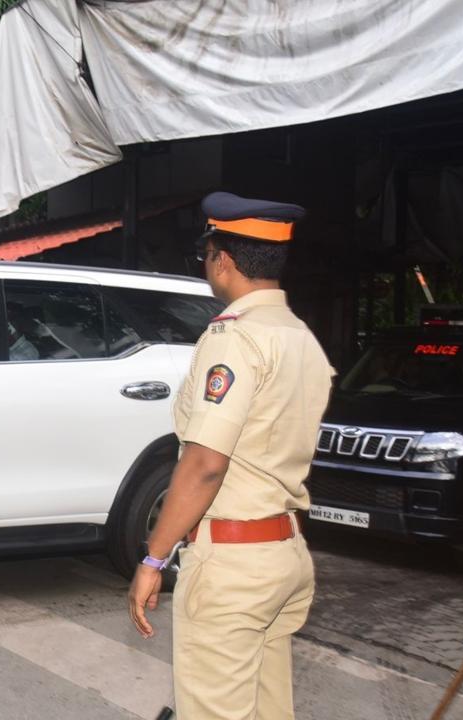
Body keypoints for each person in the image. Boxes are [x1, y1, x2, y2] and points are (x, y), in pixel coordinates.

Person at [127, 192, 334, 720]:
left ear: (222, 258)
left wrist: (154, 557)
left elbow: (204, 464)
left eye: (207, 254)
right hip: (284, 551)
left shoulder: (234, 337)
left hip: (233, 565)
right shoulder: (302, 337)